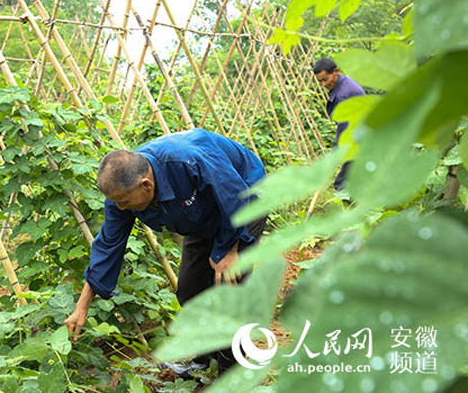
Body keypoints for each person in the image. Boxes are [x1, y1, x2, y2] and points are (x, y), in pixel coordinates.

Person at [64, 128, 267, 375]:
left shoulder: (187, 159)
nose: (120, 207)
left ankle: (232, 373)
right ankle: (203, 361)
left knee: (228, 288)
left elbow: (236, 196)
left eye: (125, 203)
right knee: (190, 291)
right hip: (202, 216)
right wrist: (82, 307)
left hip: (246, 196)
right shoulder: (122, 193)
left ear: (146, 184)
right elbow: (108, 245)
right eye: (117, 202)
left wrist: (230, 249)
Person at [313, 57, 366, 190]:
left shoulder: (343, 95)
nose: (324, 84)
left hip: (359, 140)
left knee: (341, 185)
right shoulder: (344, 82)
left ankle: (353, 208)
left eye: (325, 79)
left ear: (335, 71)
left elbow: (344, 130)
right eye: (320, 81)